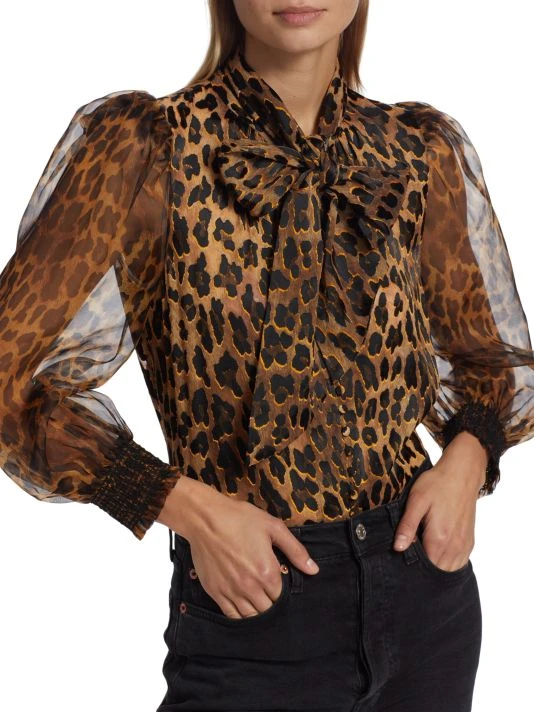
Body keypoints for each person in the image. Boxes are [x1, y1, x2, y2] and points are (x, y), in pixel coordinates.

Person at [1, 1, 533, 710]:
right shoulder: (147, 148)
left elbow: (489, 358)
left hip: (426, 599)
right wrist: (184, 507)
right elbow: (8, 376)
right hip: (251, 603)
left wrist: (467, 463)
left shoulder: (416, 150)